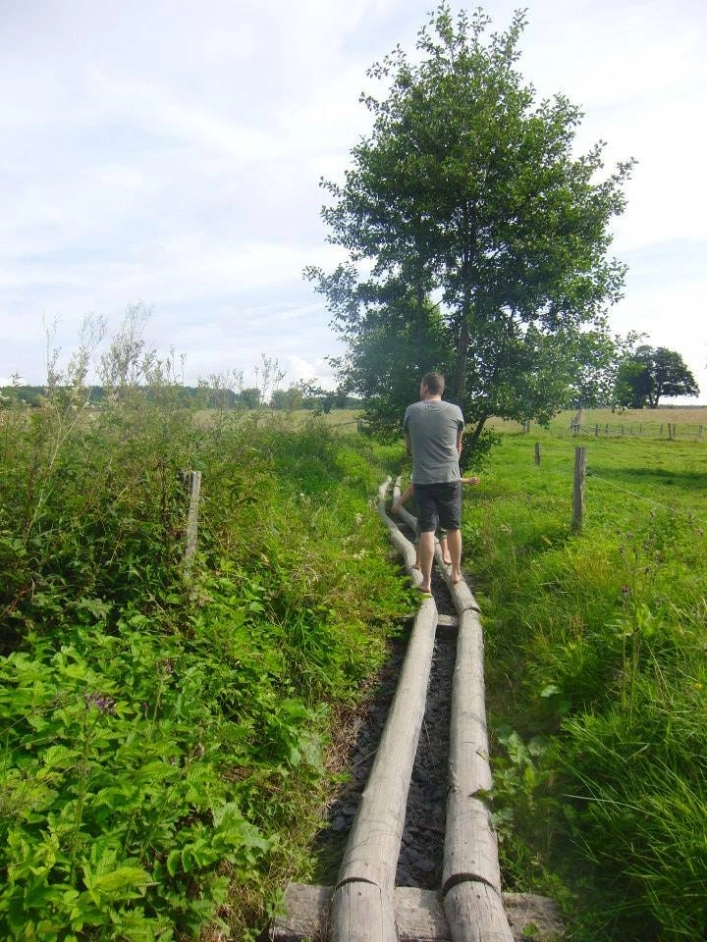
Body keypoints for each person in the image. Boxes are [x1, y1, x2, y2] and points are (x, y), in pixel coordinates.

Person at [402, 372, 465, 594]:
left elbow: (409, 447)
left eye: (421, 386)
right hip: (450, 478)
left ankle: (426, 582)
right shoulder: (455, 411)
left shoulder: (411, 411)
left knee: (427, 529)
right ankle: (456, 572)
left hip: (422, 480)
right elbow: (458, 447)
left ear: (426, 388)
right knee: (453, 526)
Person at [391, 476, 480, 568]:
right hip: (440, 504)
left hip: (426, 506)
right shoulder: (438, 470)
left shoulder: (421, 471)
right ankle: (444, 556)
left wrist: (399, 503)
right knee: (441, 531)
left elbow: (411, 488)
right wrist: (467, 481)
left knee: (422, 533)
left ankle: (419, 562)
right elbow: (452, 479)